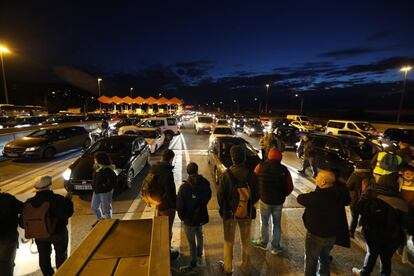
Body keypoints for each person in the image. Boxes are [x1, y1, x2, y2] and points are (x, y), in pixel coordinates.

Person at [352, 177, 414, 276]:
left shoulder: (370, 194)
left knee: (372, 252)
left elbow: (358, 209)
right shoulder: (402, 202)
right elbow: (409, 224)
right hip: (393, 237)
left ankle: (364, 273)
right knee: (386, 257)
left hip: (372, 233)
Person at [297, 170, 351, 276]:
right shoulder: (337, 194)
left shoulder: (317, 196)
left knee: (311, 260)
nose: (316, 177)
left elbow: (300, 198)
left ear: (323, 182)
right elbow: (347, 200)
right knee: (324, 258)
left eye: (319, 177)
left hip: (315, 235)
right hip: (331, 235)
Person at [217, 145, 260, 275]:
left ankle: (228, 268)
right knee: (246, 240)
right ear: (244, 159)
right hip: (246, 212)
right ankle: (246, 268)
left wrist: (225, 208)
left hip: (229, 213)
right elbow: (257, 195)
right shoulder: (251, 175)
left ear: (232, 158)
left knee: (228, 241)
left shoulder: (226, 175)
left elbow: (220, 196)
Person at [24, 176, 73, 276]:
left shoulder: (29, 202)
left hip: (39, 234)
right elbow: (67, 213)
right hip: (58, 233)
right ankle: (62, 273)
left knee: (43, 256)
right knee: (61, 255)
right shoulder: (58, 199)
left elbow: (22, 223)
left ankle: (48, 274)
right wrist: (68, 200)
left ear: (36, 188)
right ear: (50, 186)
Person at [251, 148, 293, 254]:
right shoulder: (284, 170)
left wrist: (259, 193)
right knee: (277, 224)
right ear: (280, 157)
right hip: (278, 202)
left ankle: (263, 242)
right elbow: (290, 187)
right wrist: (283, 195)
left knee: (264, 222)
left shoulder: (260, 167)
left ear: (269, 156)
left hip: (264, 200)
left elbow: (253, 181)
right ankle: (275, 247)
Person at [176, 162, 212, 273]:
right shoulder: (204, 182)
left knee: (191, 241)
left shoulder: (184, 187)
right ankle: (200, 254)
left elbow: (180, 205)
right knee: (200, 234)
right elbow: (209, 195)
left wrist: (183, 217)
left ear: (188, 172)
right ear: (197, 170)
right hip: (200, 215)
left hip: (189, 219)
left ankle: (193, 261)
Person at [150, 149, 179, 260]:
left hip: (157, 203)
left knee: (159, 228)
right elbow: (170, 191)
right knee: (167, 229)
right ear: (171, 159)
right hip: (167, 206)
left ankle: (159, 248)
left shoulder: (154, 168)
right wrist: (175, 205)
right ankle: (166, 253)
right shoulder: (167, 172)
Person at [346, 161, 373, 238]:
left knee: (354, 216)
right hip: (366, 200)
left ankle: (351, 231)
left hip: (355, 200)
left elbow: (348, 186)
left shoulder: (355, 175)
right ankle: (363, 231)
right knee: (364, 216)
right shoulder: (370, 176)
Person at [0, 190, 24, 276]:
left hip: (7, 238)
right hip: (8, 238)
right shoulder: (7, 199)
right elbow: (23, 208)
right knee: (6, 266)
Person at [91, 151, 116, 221]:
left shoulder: (108, 169)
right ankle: (101, 220)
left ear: (100, 160)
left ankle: (108, 222)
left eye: (95, 159)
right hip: (97, 190)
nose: (94, 161)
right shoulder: (97, 168)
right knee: (94, 207)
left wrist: (104, 186)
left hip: (105, 192)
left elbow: (112, 183)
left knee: (106, 209)